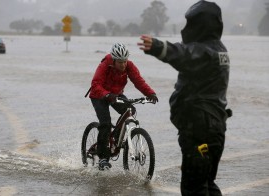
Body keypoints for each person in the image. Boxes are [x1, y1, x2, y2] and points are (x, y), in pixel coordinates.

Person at [138, 1, 232, 195]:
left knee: (194, 187)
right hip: (213, 127)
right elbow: (189, 53)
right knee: (206, 183)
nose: (186, 28)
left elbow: (186, 54)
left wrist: (158, 46)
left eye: (192, 23)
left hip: (200, 130)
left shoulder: (206, 52)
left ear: (201, 25)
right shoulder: (218, 49)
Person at [88, 43, 158, 171]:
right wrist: (107, 94)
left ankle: (116, 138)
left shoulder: (129, 66)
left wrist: (150, 93)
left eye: (125, 61)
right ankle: (103, 157)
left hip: (116, 95)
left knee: (130, 110)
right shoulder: (105, 65)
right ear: (114, 60)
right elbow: (95, 84)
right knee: (106, 123)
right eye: (120, 62)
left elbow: (138, 81)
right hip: (98, 95)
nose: (123, 64)